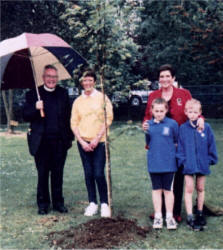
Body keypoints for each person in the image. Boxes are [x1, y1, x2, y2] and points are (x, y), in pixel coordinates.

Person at [143, 64, 204, 222]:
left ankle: (175, 212)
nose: (164, 79)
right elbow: (147, 116)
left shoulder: (183, 94)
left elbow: (194, 109)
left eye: (167, 76)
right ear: (158, 79)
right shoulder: (153, 96)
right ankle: (160, 211)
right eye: (161, 76)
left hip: (180, 142)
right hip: (160, 144)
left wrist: (201, 120)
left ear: (173, 78)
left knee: (177, 177)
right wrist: (145, 124)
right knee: (161, 175)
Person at [23, 64, 73, 215]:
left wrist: (68, 139)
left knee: (58, 173)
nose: (51, 79)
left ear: (57, 78)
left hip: (59, 141)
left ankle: (58, 203)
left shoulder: (63, 93)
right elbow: (25, 115)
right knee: (43, 173)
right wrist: (35, 108)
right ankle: (43, 204)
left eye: (54, 77)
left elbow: (68, 117)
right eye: (49, 76)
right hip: (41, 142)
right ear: (43, 77)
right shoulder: (33, 94)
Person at [70, 70, 113, 217]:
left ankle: (105, 203)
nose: (87, 83)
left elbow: (108, 118)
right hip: (83, 143)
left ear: (94, 81)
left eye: (90, 80)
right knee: (88, 173)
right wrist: (82, 141)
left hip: (99, 142)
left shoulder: (102, 98)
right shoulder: (78, 101)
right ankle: (92, 203)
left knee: (98, 173)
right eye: (84, 80)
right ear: (81, 82)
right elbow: (74, 123)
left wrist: (97, 138)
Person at [177, 99, 218, 231]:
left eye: (195, 112)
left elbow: (211, 144)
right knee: (189, 189)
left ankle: (200, 213)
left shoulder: (206, 127)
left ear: (200, 112)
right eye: (190, 112)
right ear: (186, 112)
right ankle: (190, 216)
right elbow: (181, 148)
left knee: (200, 188)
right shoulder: (182, 129)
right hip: (188, 164)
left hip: (202, 163)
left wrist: (210, 159)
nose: (193, 114)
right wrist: (182, 161)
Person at [145, 98, 178, 229]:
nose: (159, 113)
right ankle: (158, 216)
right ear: (152, 111)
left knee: (168, 190)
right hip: (154, 163)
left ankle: (169, 217)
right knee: (156, 190)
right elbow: (148, 142)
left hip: (169, 164)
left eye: (161, 111)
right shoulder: (148, 125)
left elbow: (176, 141)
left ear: (166, 110)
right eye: (156, 111)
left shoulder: (173, 124)